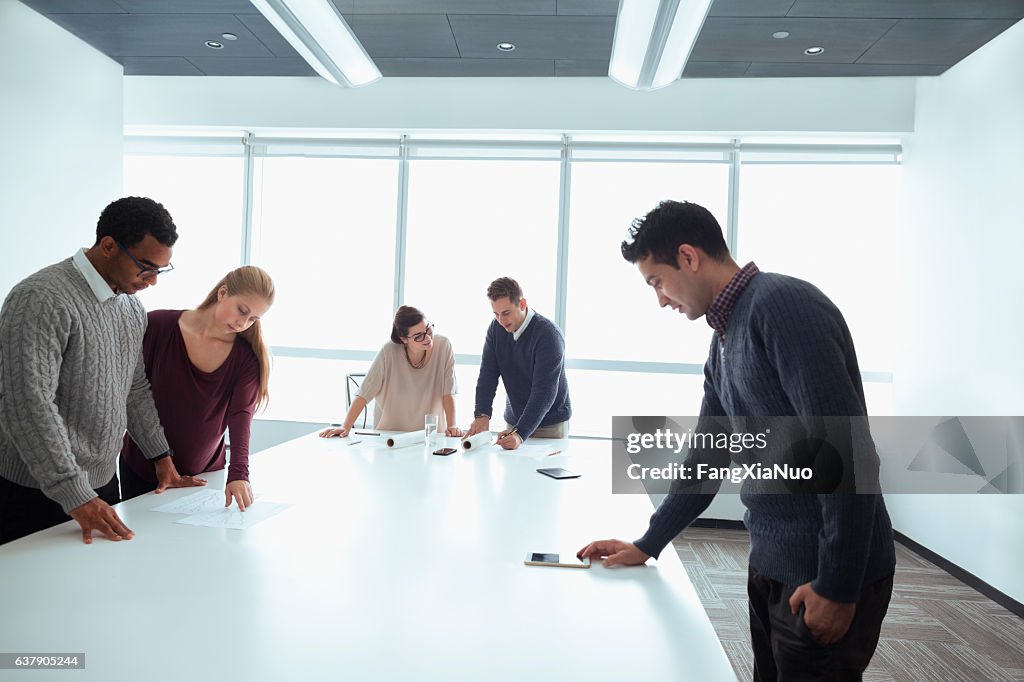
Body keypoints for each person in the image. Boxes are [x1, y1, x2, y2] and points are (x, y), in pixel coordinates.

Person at [578, 200, 896, 681]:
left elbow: (847, 452)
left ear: (689, 256)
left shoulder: (784, 307)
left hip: (822, 573)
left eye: (656, 281)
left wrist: (838, 585)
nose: (660, 299)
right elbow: (706, 458)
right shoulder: (724, 338)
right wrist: (649, 542)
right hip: (771, 563)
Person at [0, 196, 204, 545]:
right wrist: (74, 491)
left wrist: (160, 456)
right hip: (35, 492)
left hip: (102, 487)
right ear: (109, 246)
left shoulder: (130, 308)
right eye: (146, 267)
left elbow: (134, 387)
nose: (152, 281)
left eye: (161, 270)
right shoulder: (40, 298)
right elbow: (28, 403)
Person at [119, 266, 275, 511]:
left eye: (253, 319)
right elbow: (131, 392)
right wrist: (160, 459)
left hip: (203, 478)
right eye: (242, 311)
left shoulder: (246, 359)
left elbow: (241, 416)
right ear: (222, 292)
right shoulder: (157, 325)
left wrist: (238, 474)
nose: (243, 323)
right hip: (141, 468)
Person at [319, 306, 462, 438]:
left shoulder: (443, 346)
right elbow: (364, 393)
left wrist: (452, 426)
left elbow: (447, 392)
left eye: (428, 329)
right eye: (419, 336)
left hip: (429, 436)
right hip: (391, 436)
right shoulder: (389, 351)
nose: (428, 338)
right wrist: (346, 427)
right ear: (404, 339)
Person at [465, 277, 571, 450]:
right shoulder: (496, 329)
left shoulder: (549, 335)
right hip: (514, 424)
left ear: (522, 304)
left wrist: (520, 433)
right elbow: (487, 376)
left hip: (550, 426)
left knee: (546, 475)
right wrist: (482, 415)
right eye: (496, 314)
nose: (501, 320)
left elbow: (544, 391)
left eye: (506, 313)